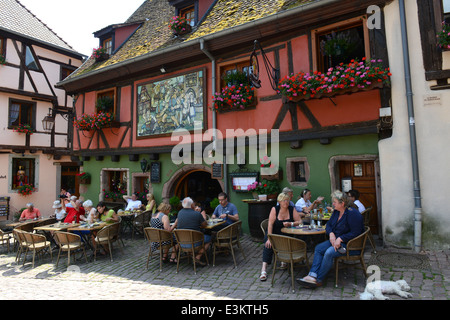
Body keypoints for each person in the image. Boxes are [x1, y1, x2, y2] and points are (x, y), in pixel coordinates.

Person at [297, 190, 364, 288]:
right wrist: (331, 233)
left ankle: (318, 280)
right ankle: (312, 275)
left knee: (329, 252)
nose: (333, 204)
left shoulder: (353, 214)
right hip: (335, 241)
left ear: (342, 203)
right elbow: (328, 225)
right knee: (319, 248)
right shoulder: (337, 212)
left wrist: (341, 238)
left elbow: (356, 232)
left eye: (335, 202)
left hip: (350, 245)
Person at [259, 193, 303, 281]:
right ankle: (264, 269)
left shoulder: (291, 209)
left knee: (289, 241)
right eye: (284, 200)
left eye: (287, 200)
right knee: (268, 244)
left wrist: (291, 223)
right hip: (274, 232)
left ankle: (284, 260)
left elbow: (300, 221)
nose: (286, 202)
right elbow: (270, 224)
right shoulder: (275, 209)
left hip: (287, 233)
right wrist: (269, 238)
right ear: (279, 202)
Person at [175, 197, 210, 265]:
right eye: (193, 204)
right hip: (194, 242)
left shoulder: (180, 213)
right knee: (209, 238)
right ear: (191, 205)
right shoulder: (196, 214)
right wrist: (198, 213)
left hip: (182, 243)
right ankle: (197, 257)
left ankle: (191, 255)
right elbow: (205, 224)